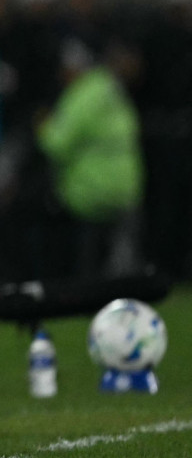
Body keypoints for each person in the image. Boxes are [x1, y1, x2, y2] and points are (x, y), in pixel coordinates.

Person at [37, 40, 142, 280]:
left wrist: (42, 126)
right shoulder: (112, 88)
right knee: (122, 258)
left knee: (89, 259)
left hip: (92, 188)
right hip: (126, 184)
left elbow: (57, 144)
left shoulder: (82, 94)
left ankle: (90, 300)